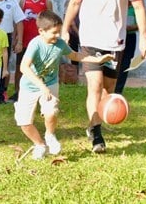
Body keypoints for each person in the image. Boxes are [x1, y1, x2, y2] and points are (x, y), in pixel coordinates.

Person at [62, 0, 146, 153]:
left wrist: (145, 37)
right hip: (90, 41)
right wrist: (64, 29)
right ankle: (96, 133)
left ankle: (97, 121)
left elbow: (139, 8)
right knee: (94, 87)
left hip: (115, 43)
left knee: (108, 90)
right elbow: (74, 3)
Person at [17, 10, 113, 160]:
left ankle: (50, 135)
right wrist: (41, 86)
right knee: (24, 122)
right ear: (41, 31)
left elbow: (75, 55)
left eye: (59, 32)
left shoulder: (60, 44)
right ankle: (40, 145)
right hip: (30, 86)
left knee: (51, 112)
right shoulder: (35, 44)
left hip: (50, 84)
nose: (58, 36)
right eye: (54, 32)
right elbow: (24, 67)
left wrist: (98, 60)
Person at [11, 0, 53, 102]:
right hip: (24, 40)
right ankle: (17, 92)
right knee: (20, 67)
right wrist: (15, 38)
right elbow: (17, 21)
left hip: (39, 41)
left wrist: (49, 40)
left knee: (40, 68)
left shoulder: (46, 1)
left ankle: (39, 92)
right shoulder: (23, 0)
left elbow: (51, 21)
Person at [114, 2, 138, 94]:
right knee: (114, 62)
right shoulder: (118, 6)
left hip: (130, 37)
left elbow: (139, 24)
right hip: (117, 37)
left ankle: (118, 89)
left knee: (125, 63)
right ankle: (110, 85)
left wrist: (130, 27)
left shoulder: (135, 8)